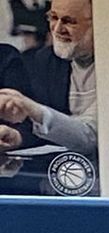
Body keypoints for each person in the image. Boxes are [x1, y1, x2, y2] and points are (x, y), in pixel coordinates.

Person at [0, 0, 94, 155]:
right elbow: (34, 131)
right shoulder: (43, 61)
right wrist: (16, 136)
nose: (57, 29)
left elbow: (90, 136)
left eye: (69, 21)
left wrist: (31, 112)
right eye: (53, 18)